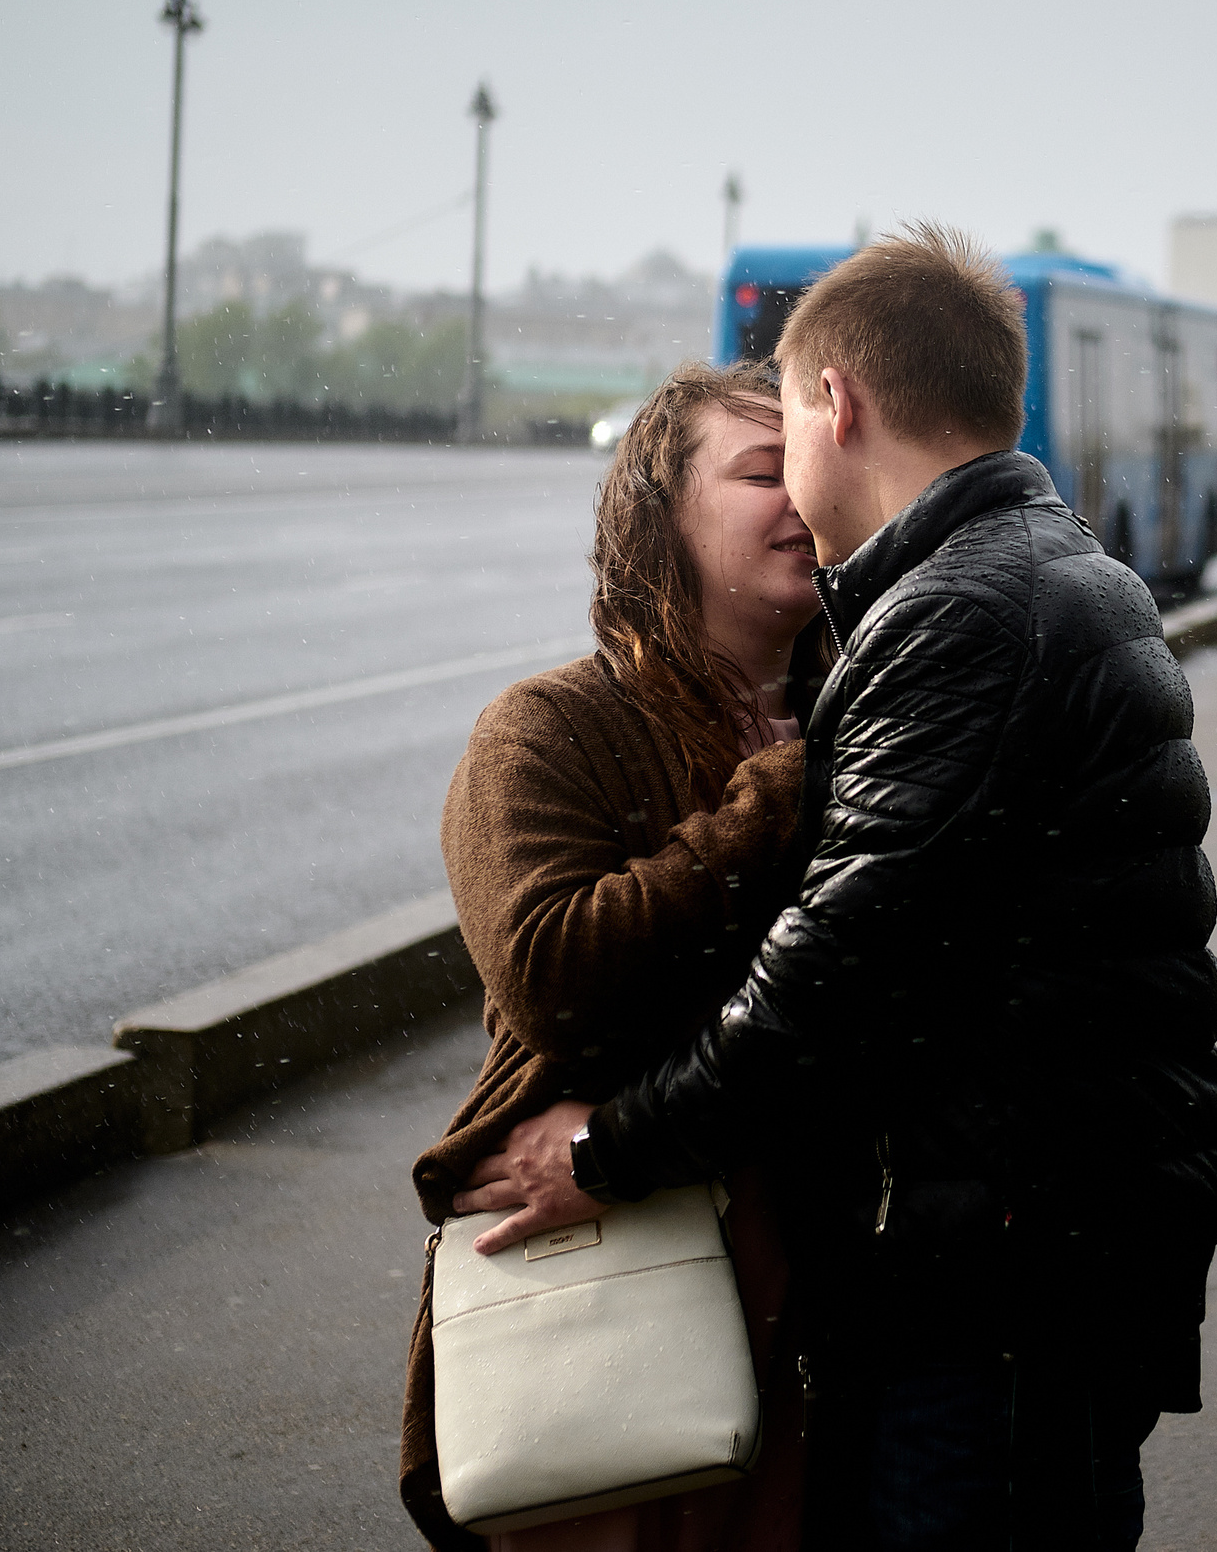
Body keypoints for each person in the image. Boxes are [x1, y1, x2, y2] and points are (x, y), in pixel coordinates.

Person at [463, 224, 1217, 1550]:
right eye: (742, 468)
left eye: (786, 443)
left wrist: (609, 1147)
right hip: (1037, 1253)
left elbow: (838, 962)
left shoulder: (957, 613)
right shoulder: (1044, 572)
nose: (790, 488)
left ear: (839, 401)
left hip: (993, 1272)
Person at [401, 361, 829, 1551]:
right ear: (661, 516)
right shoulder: (547, 732)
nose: (804, 491)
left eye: (813, 462)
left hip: (830, 1289)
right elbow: (555, 981)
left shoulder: (873, 715)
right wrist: (779, 796)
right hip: (614, 1288)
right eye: (762, 470)